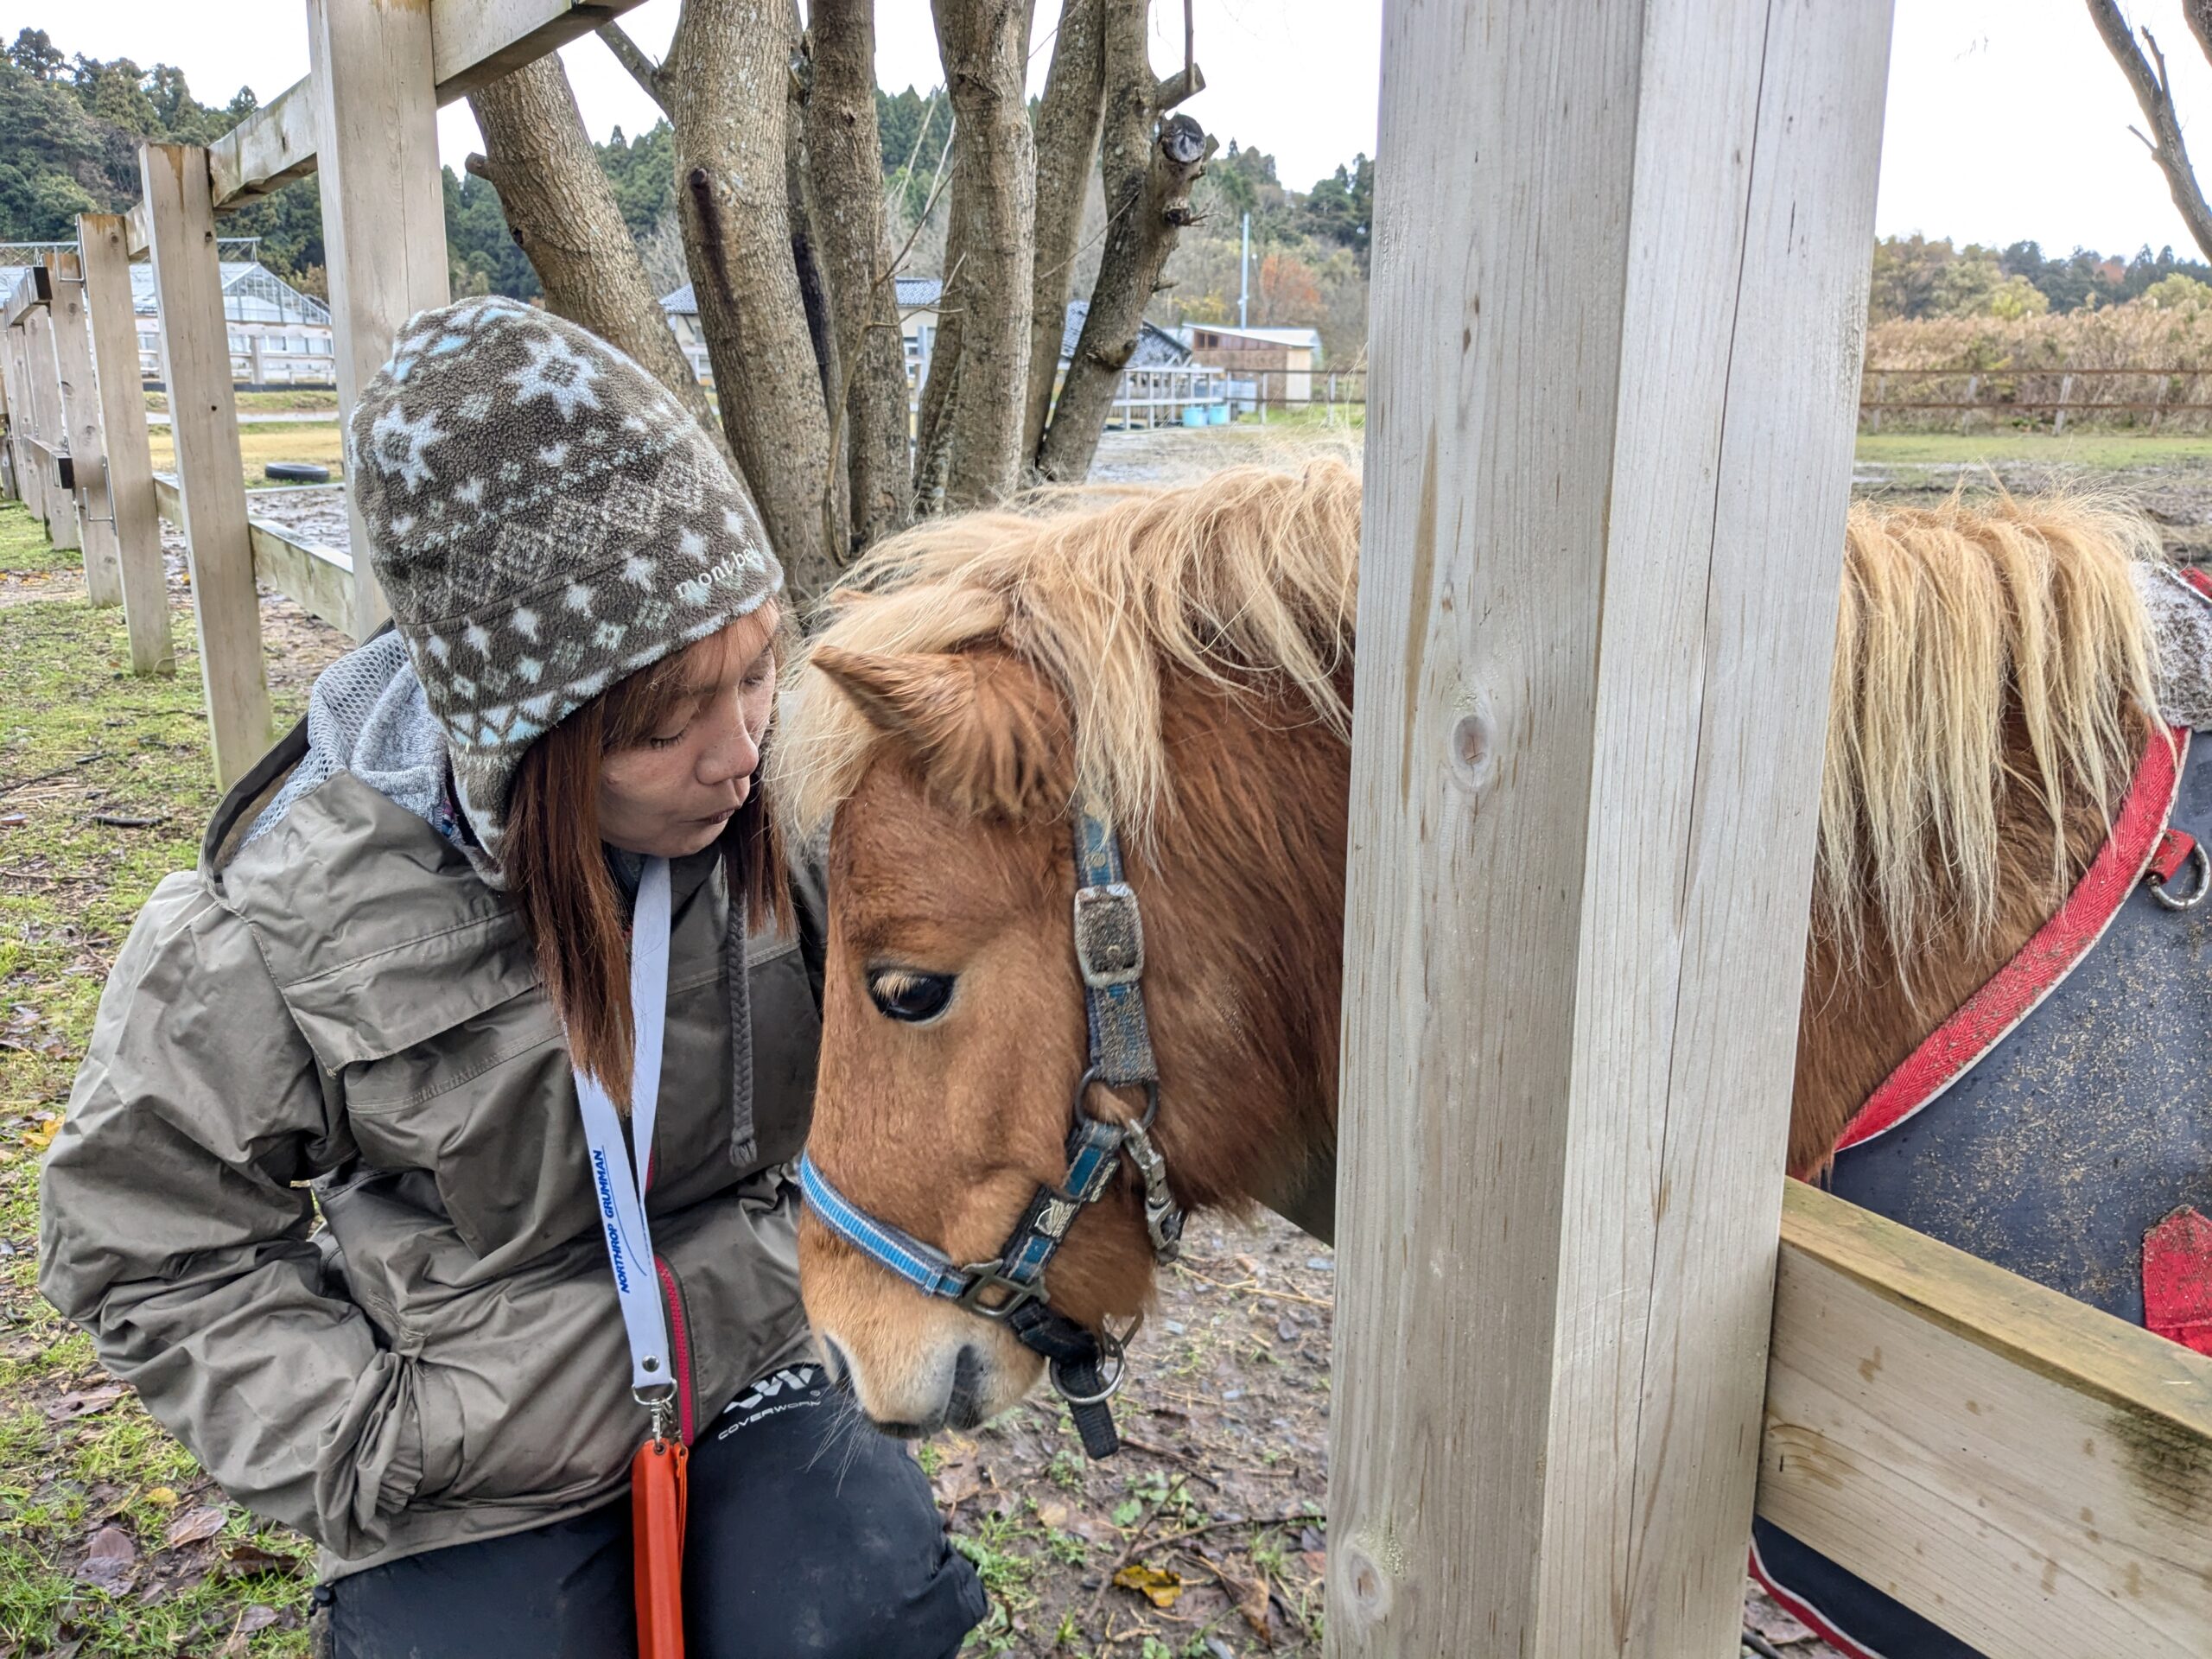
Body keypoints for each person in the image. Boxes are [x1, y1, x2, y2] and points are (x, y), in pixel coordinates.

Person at [37, 298, 985, 1658]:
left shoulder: (800, 795)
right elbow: (142, 1234)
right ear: (519, 754)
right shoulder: (286, 916)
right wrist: (370, 1442)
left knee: (863, 1618)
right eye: (666, 724)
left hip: (763, 1354)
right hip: (475, 1442)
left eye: (755, 673)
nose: (738, 753)